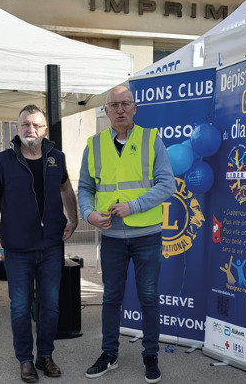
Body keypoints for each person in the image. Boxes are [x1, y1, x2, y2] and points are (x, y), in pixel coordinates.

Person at [78, 85, 175, 383]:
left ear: (135, 108)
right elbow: (85, 188)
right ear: (105, 111)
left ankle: (150, 356)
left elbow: (166, 184)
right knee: (111, 298)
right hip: (111, 238)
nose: (120, 109)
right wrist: (88, 214)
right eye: (114, 105)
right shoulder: (93, 145)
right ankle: (110, 354)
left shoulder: (152, 140)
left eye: (125, 103)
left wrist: (134, 206)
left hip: (146, 235)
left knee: (148, 297)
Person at [0, 104, 78, 383]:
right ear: (17, 128)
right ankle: (25, 359)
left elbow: (65, 187)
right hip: (18, 248)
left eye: (36, 125)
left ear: (45, 130)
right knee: (20, 307)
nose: (30, 129)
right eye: (25, 124)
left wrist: (73, 218)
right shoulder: (3, 161)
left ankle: (44, 355)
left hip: (50, 246)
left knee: (51, 305)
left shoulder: (56, 158)